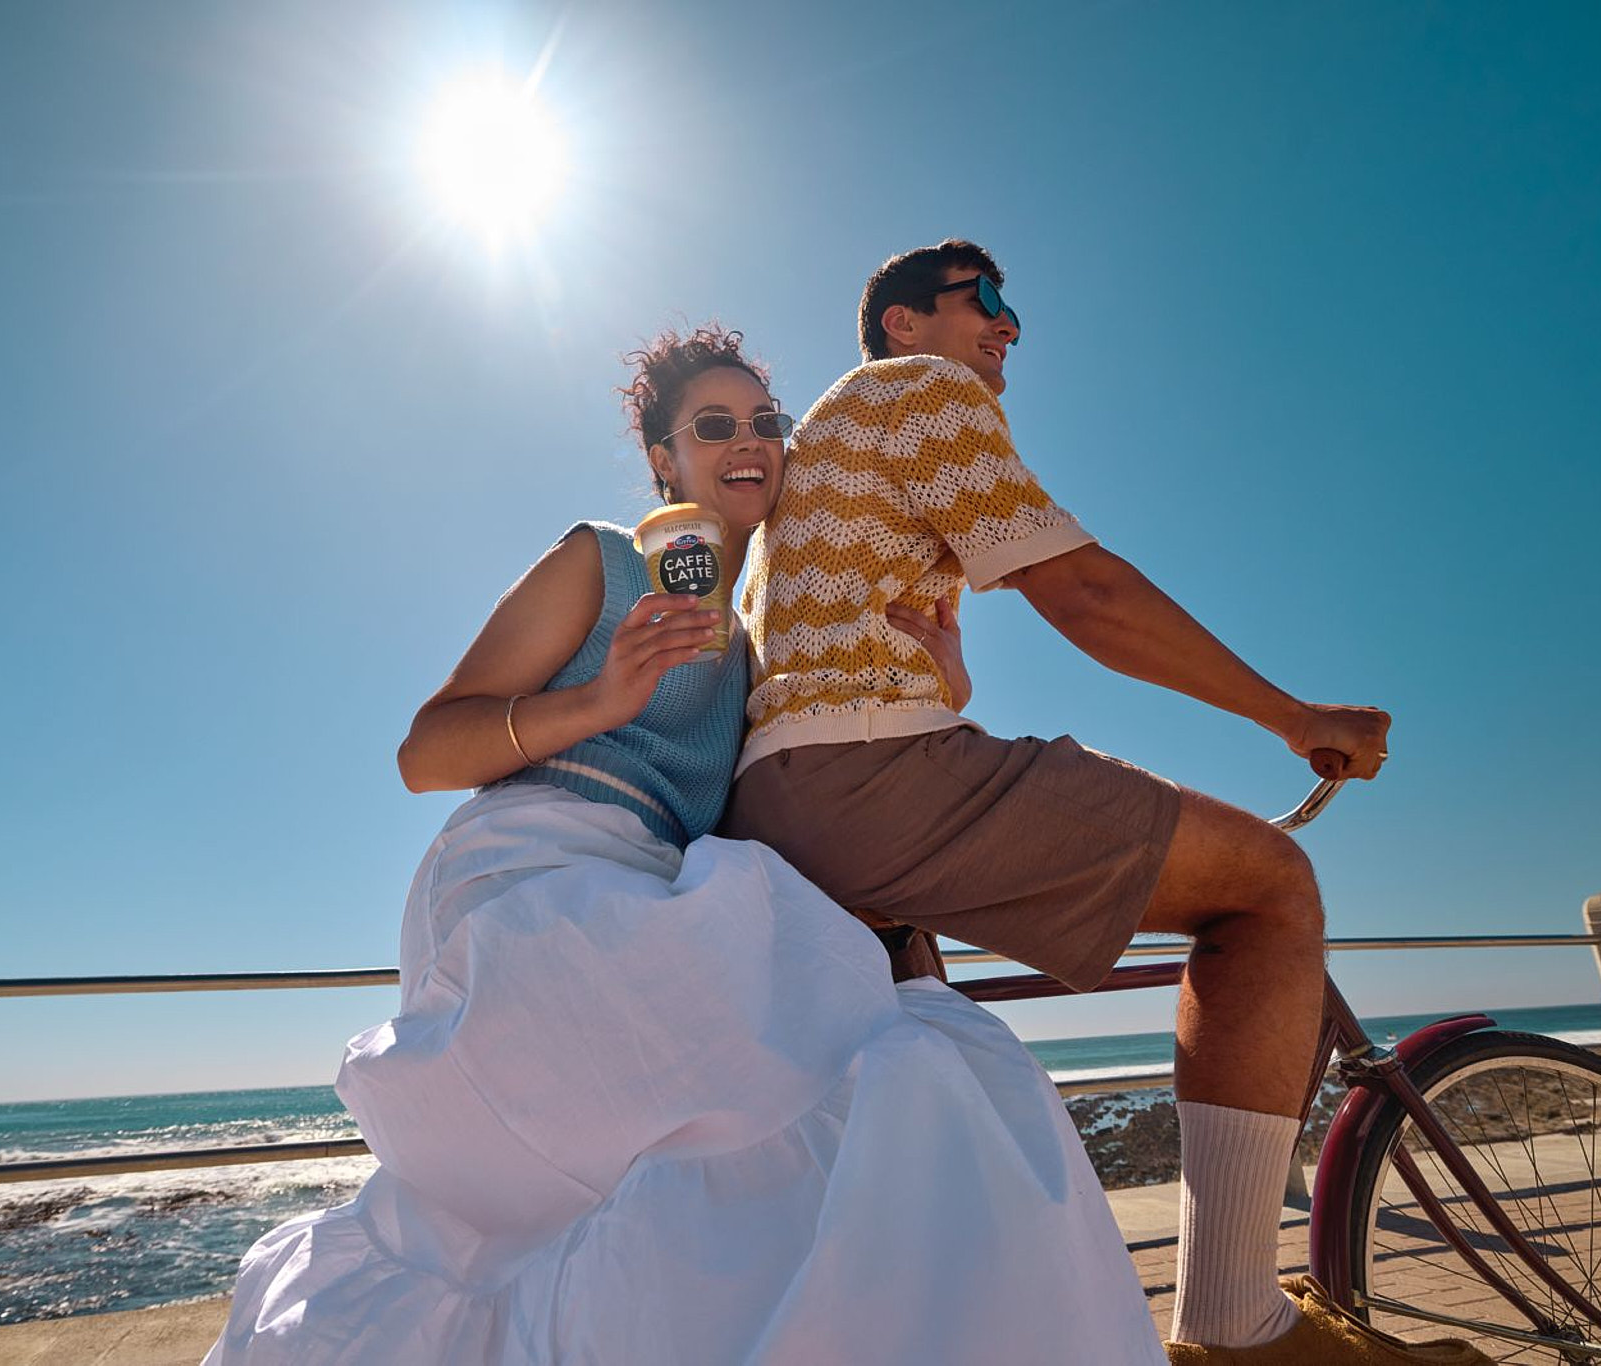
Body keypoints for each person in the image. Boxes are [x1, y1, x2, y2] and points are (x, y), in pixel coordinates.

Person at [203, 326, 1167, 1364]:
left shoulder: (752, 649)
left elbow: (793, 790)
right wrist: (600, 699)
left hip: (655, 886)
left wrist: (944, 689)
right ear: (664, 459)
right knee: (875, 1065)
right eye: (713, 424)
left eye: (765, 421)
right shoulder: (604, 562)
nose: (748, 440)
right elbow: (425, 752)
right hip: (529, 870)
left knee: (872, 1085)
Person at [723, 242, 1493, 1366]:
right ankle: (1236, 1322)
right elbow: (1082, 591)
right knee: (1267, 889)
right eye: (983, 299)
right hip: (872, 777)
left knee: (924, 1109)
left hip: (783, 809)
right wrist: (1291, 716)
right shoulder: (918, 389)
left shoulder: (820, 461)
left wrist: (946, 683)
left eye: (1011, 308)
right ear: (901, 323)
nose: (1008, 325)